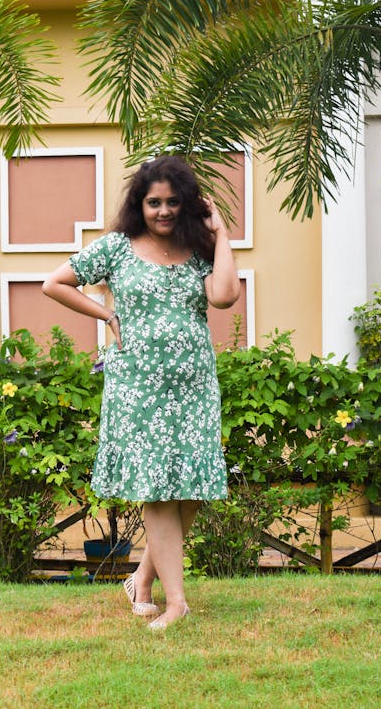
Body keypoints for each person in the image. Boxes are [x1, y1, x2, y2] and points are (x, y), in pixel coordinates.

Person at [43, 155, 240, 629]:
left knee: (192, 489)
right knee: (157, 490)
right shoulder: (115, 248)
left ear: (188, 204)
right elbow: (55, 284)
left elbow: (225, 296)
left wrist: (222, 233)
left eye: (174, 202)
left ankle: (141, 580)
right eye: (154, 202)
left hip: (193, 385)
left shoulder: (199, 248)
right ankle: (175, 602)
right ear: (140, 203)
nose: (164, 211)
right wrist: (107, 316)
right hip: (137, 389)